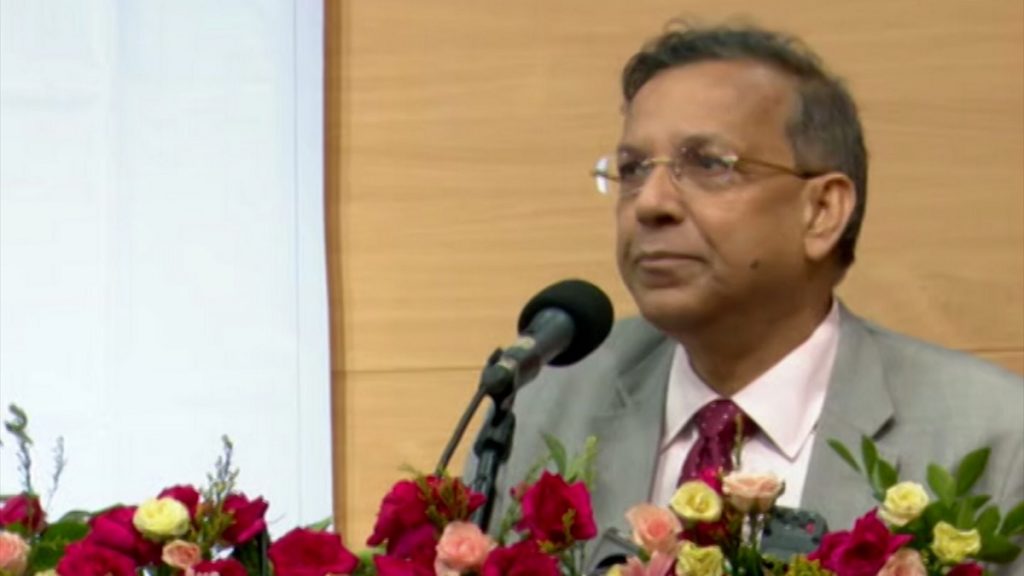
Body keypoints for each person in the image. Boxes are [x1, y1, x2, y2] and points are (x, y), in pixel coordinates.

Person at [476, 21, 1024, 571]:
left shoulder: (993, 437)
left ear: (822, 211)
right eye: (633, 169)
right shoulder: (547, 402)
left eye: (708, 164)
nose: (650, 203)